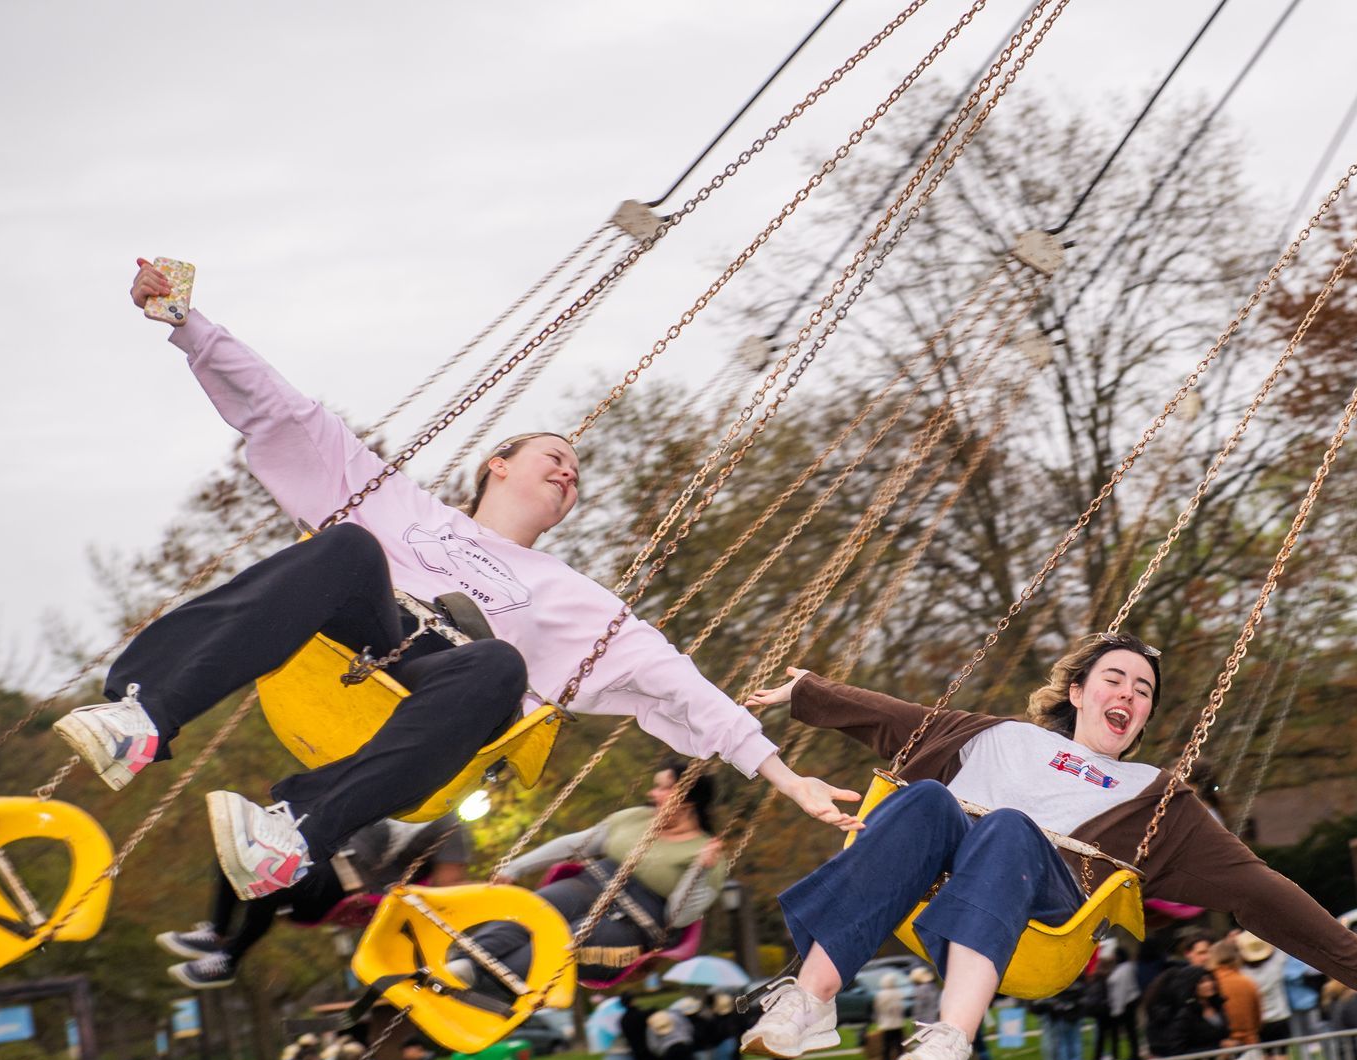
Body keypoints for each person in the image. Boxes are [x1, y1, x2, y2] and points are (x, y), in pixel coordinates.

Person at [53, 263, 861, 908]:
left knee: (504, 669)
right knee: (346, 550)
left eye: (577, 477)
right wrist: (187, 323)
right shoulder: (400, 502)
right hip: (353, 634)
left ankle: (297, 830)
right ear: (497, 464)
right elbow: (285, 413)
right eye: (556, 456)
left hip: (441, 686)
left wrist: (784, 777)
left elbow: (677, 686)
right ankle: (146, 716)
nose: (569, 472)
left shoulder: (576, 597)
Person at [737, 636, 1357, 1060]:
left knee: (1006, 826)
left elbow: (1256, 888)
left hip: (1046, 918)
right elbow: (895, 721)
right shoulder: (997, 736)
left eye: (1143, 690)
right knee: (928, 799)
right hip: (941, 887)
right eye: (1114, 679)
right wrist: (808, 693)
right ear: (1078, 690)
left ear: (1145, 713)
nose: (1128, 694)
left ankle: (953, 1036)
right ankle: (813, 997)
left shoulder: (1154, 797)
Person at [455, 761, 724, 990]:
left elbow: (680, 915)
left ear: (688, 799)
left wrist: (700, 872)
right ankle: (462, 963)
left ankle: (485, 987)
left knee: (564, 941)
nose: (653, 793)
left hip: (636, 923)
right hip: (592, 884)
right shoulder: (635, 818)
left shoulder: (705, 852)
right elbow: (575, 845)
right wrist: (514, 868)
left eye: (664, 787)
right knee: (534, 910)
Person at [159, 815, 469, 989]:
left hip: (348, 886)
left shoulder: (447, 825)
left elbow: (447, 885)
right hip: (321, 855)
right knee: (236, 851)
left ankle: (228, 959)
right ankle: (217, 930)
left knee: (273, 880)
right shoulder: (398, 792)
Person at [1237, 934, 1302, 1060]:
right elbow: (1283, 947)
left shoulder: (1242, 972)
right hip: (1280, 1019)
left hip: (1258, 1022)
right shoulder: (1276, 964)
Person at [1099, 944, 1141, 1060]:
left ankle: (1133, 1054)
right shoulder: (1124, 968)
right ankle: (1130, 1053)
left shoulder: (1124, 969)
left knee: (1130, 1031)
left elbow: (1121, 990)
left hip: (1125, 1004)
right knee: (1130, 1032)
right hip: (1125, 1003)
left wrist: (1117, 1009)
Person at [873, 972, 909, 1060]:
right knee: (899, 1050)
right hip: (898, 1025)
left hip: (886, 1026)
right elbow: (901, 1009)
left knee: (886, 1051)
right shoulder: (898, 993)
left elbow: (877, 1009)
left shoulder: (880, 995)